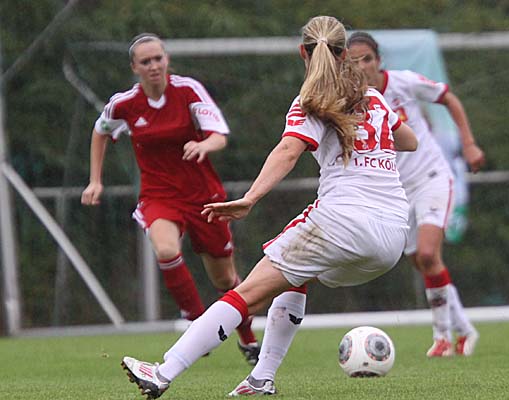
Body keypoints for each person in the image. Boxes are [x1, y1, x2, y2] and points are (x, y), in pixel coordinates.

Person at [121, 16, 417, 399]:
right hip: (393, 236)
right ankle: (261, 377)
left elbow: (288, 150)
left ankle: (162, 372)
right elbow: (408, 141)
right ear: (345, 54)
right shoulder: (373, 97)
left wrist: (250, 197)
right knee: (296, 276)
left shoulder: (311, 101)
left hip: (343, 220)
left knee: (247, 293)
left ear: (302, 53)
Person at [81, 33, 260, 364]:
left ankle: (248, 339)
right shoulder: (124, 104)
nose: (153, 66)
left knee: (224, 279)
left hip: (203, 196)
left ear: (167, 60)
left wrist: (204, 144)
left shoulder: (188, 90)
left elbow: (219, 136)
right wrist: (95, 180)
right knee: (165, 249)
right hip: (159, 195)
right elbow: (100, 131)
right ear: (134, 68)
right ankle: (196, 323)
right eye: (145, 61)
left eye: (158, 59)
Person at [348, 31, 485, 357]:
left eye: (367, 59)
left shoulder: (404, 82)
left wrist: (468, 143)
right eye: (354, 62)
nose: (362, 66)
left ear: (379, 60)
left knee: (427, 254)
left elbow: (448, 98)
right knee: (424, 263)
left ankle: (442, 337)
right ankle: (465, 329)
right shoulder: (350, 101)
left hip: (431, 177)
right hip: (397, 191)